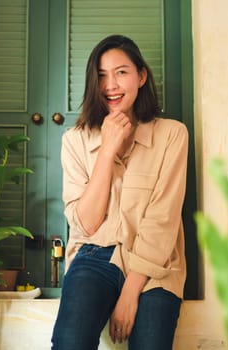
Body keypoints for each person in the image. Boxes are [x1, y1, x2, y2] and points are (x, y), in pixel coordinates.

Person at [51, 34, 188, 350]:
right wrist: (107, 150)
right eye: (101, 75)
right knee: (69, 343)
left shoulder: (172, 135)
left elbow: (162, 220)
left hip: (155, 267)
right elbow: (85, 224)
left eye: (121, 72)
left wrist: (130, 293)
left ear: (141, 77)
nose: (110, 84)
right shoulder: (75, 140)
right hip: (93, 255)